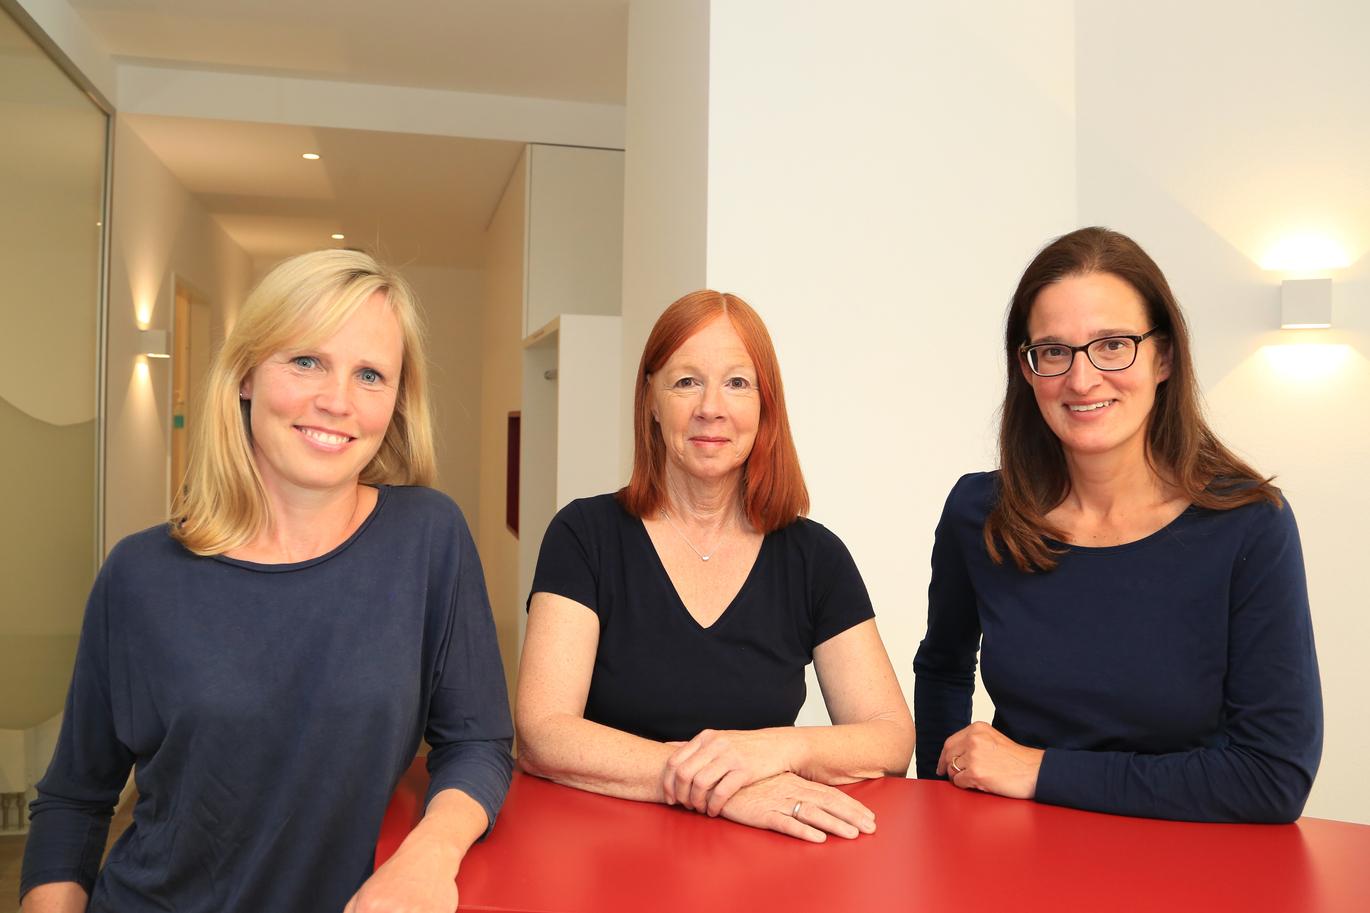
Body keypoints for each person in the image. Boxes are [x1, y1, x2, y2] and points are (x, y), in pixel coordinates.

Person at [21, 250, 513, 912]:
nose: (336, 401)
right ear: (247, 374)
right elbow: (75, 799)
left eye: (370, 374)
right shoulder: (141, 574)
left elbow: (477, 741)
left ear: (397, 401)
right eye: (306, 361)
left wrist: (429, 854)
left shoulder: (428, 538)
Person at [913, 227, 1322, 822]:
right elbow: (943, 669)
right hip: (1018, 855)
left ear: (1164, 357)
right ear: (1027, 369)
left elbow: (1272, 777)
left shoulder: (1250, 525)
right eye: (1054, 351)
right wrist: (941, 801)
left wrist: (1038, 770)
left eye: (1112, 345)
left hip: (1190, 857)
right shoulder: (980, 512)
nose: (1082, 380)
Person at [516, 290, 914, 843]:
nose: (711, 407)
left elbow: (891, 738)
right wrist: (722, 787)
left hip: (762, 861)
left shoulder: (816, 558)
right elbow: (542, 733)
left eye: (737, 383)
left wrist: (770, 750)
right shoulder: (583, 536)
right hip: (604, 850)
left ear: (765, 405)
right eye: (686, 381)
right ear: (651, 400)